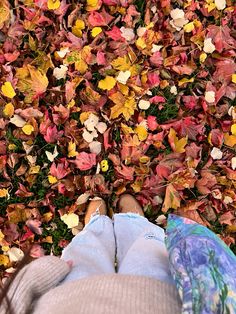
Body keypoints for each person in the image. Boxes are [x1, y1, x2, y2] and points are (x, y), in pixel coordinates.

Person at [0, 194, 182, 314]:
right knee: (148, 252)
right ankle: (133, 223)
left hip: (68, 299)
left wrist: (51, 269)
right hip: (160, 297)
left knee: (86, 251)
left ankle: (97, 225)